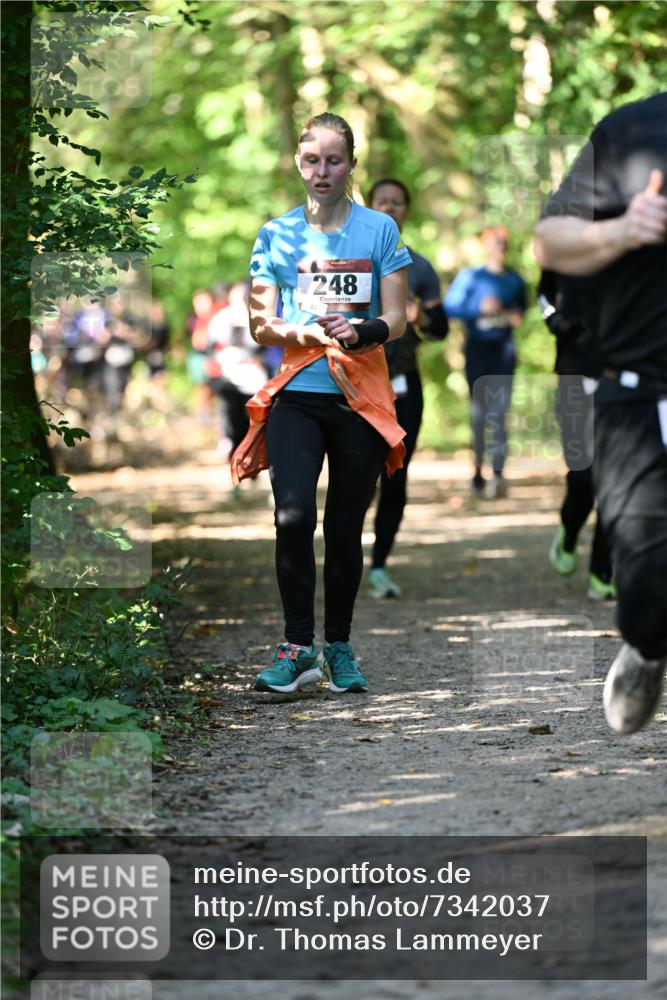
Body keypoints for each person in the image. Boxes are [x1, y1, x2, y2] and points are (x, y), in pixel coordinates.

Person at [231, 111, 411, 694]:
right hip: (299, 396)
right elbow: (261, 325)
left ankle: (338, 648)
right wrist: (305, 334)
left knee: (342, 527)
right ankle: (296, 648)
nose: (322, 171)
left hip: (359, 398)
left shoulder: (379, 230)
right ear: (297, 163)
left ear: (352, 164)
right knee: (291, 517)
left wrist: (363, 332)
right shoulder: (276, 234)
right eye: (312, 160)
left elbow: (399, 319)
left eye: (334, 160)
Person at [534, 91, 667, 734]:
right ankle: (646, 642)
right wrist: (625, 227)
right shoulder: (632, 130)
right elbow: (549, 243)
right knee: (641, 573)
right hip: (640, 393)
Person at [365, 178, 448, 598]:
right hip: (358, 379)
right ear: (370, 206)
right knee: (357, 474)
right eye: (383, 202)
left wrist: (417, 316)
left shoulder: (421, 266)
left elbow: (441, 329)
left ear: (407, 211)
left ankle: (379, 563)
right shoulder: (352, 257)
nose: (391, 209)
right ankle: (343, 556)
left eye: (398, 203)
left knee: (396, 475)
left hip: (404, 383)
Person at [537, 269, 615, 600]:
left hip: (620, 377)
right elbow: (543, 294)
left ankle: (602, 571)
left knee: (614, 481)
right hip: (574, 375)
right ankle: (569, 532)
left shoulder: (637, 249)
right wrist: (555, 322)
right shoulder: (568, 244)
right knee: (583, 478)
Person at [444, 226, 527, 498]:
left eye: (503, 242)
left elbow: (521, 311)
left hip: (504, 351)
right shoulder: (471, 277)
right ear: (485, 245)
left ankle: (499, 473)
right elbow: (450, 308)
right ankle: (477, 471)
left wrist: (512, 315)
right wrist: (478, 310)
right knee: (479, 414)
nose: (498, 247)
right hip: (477, 350)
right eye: (493, 242)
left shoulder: (515, 280)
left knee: (500, 413)